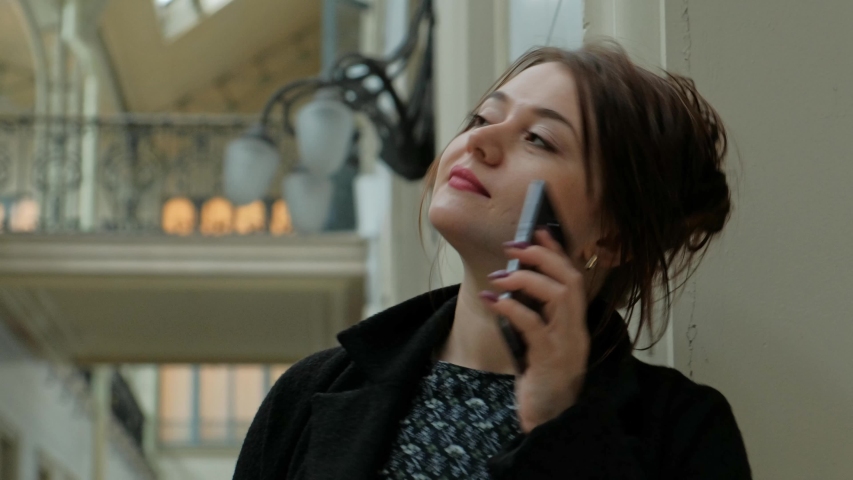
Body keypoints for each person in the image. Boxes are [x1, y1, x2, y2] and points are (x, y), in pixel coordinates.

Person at [233, 43, 752, 479]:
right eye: (482, 117)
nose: (478, 141)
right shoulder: (312, 389)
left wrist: (560, 424)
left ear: (612, 236)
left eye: (538, 139)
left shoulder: (685, 430)